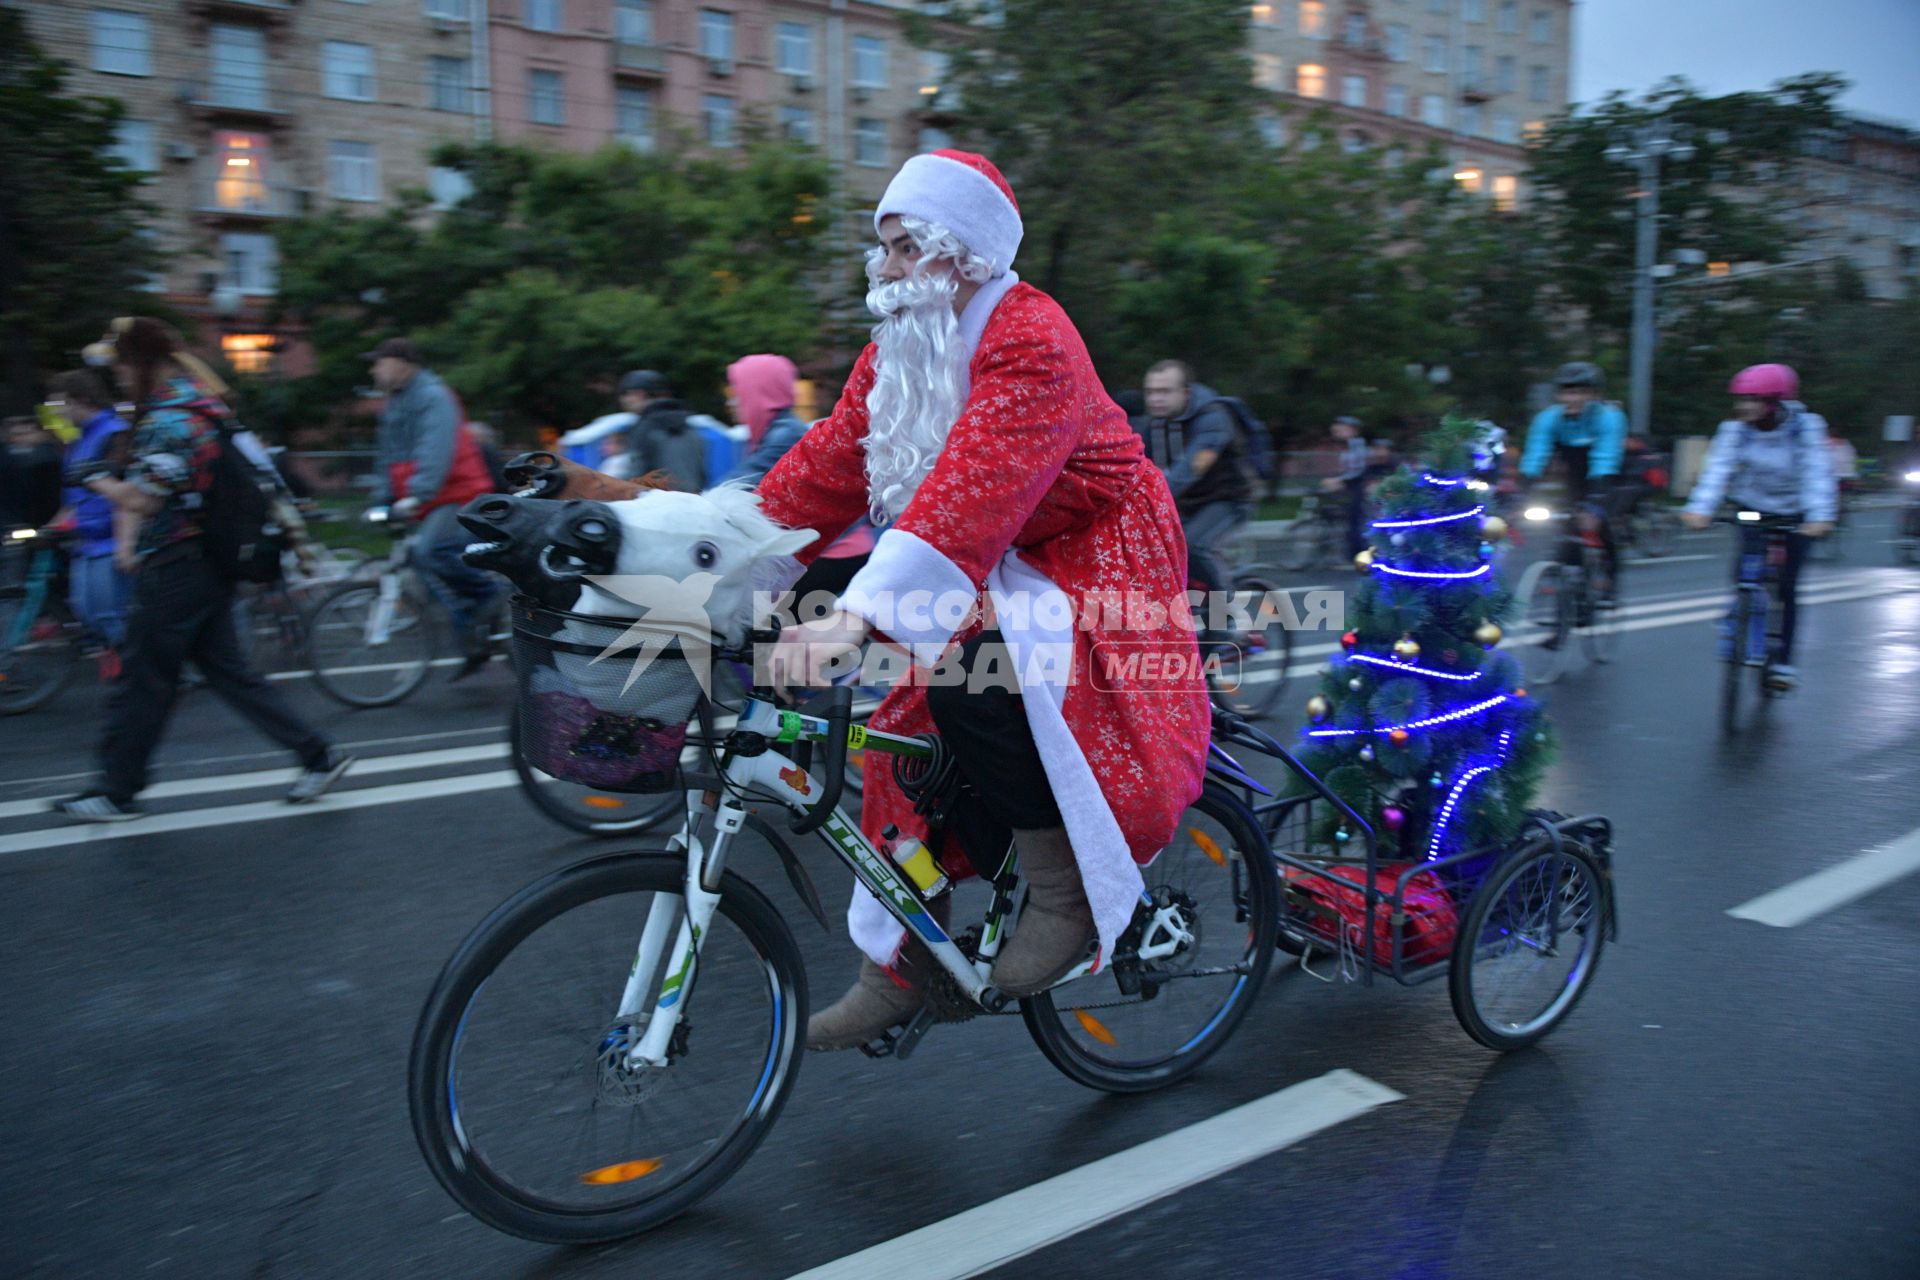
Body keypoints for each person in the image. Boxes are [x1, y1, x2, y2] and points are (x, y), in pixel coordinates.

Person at [755, 150, 1210, 1050]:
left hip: (1093, 560)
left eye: (898, 248)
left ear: (956, 253)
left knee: (966, 668)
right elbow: (831, 461)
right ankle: (903, 963)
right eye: (880, 248)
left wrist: (858, 619)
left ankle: (1066, 894)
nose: (880, 269)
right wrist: (723, 565)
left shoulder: (1033, 335)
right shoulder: (904, 343)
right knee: (888, 721)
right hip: (996, 548)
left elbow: (972, 492)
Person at [54, 318, 353, 823]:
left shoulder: (173, 420)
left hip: (177, 567)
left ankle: (116, 791)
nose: (119, 377)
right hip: (204, 564)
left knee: (141, 676)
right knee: (229, 674)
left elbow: (146, 501)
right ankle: (318, 755)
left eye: (122, 365)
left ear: (144, 362)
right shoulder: (199, 406)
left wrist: (96, 479)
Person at [1681, 363, 1835, 691]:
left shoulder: (1805, 428)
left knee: (1788, 587)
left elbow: (1816, 472)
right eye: (1741, 399)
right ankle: (1740, 608)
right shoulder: (1735, 429)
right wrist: (1700, 510)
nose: (1744, 407)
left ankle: (1784, 663)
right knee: (1744, 569)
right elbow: (1718, 470)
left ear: (1777, 401)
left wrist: (1819, 516)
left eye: (1754, 399)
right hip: (1752, 509)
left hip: (1796, 514)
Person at [366, 337, 501, 680]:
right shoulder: (395, 403)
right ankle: (472, 637)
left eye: (379, 362)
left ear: (402, 363)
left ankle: (489, 595)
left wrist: (417, 493)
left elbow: (435, 450)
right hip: (429, 497)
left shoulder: (433, 396)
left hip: (458, 491)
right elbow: (388, 457)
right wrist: (382, 499)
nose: (373, 369)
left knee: (431, 550)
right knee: (423, 565)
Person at [1136, 360, 1257, 593]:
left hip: (1227, 500)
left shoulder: (1214, 419)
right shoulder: (1154, 424)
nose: (1155, 399)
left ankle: (1229, 616)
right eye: (1150, 392)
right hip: (1187, 503)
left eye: (1164, 392)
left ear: (1186, 393)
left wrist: (1150, 499)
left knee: (1194, 546)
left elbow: (1190, 469)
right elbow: (1136, 465)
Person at [1519, 361, 1629, 603]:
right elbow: (1536, 455)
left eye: (1581, 392)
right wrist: (1522, 494)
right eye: (1568, 391)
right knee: (1566, 526)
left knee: (1600, 522)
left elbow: (1605, 457)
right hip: (1574, 478)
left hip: (1605, 476)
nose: (1573, 398)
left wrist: (1595, 502)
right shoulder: (1548, 419)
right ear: (1559, 394)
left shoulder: (1609, 418)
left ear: (1595, 394)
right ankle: (1566, 597)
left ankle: (1610, 579)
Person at [49, 369, 132, 650]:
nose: (58, 413)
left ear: (82, 398)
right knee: (87, 612)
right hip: (87, 542)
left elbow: (126, 488)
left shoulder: (114, 432)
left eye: (61, 405)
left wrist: (125, 542)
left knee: (111, 616)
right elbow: (74, 496)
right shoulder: (78, 441)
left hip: (110, 540)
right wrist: (53, 526)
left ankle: (145, 675)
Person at [617, 369, 705, 492]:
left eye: (626, 394)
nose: (624, 400)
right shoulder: (684, 425)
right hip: (686, 502)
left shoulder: (651, 426)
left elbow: (636, 476)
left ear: (639, 393)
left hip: (661, 505)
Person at [1319, 415, 1371, 557]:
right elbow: (1347, 469)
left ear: (1353, 430)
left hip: (1356, 488)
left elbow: (1357, 470)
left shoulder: (1357, 445)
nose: (1338, 429)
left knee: (1354, 522)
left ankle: (1357, 555)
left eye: (1342, 427)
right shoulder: (1350, 446)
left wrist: (1340, 480)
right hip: (1350, 487)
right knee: (1348, 520)